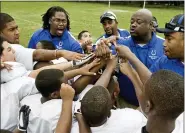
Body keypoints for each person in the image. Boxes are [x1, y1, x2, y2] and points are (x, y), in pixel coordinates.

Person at [96, 9, 165, 106]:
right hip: (126, 104)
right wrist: (101, 50)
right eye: (132, 22)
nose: (133, 24)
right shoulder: (120, 44)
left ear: (151, 25)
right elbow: (104, 59)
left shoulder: (164, 45)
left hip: (155, 106)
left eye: (138, 22)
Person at [115, 44, 183, 133]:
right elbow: (157, 87)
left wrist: (132, 74)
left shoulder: (131, 125)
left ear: (148, 106)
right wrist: (132, 74)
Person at [70, 57, 147, 133]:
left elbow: (92, 94)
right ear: (115, 94)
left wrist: (108, 68)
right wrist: (132, 74)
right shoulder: (129, 118)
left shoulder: (74, 128)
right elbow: (146, 109)